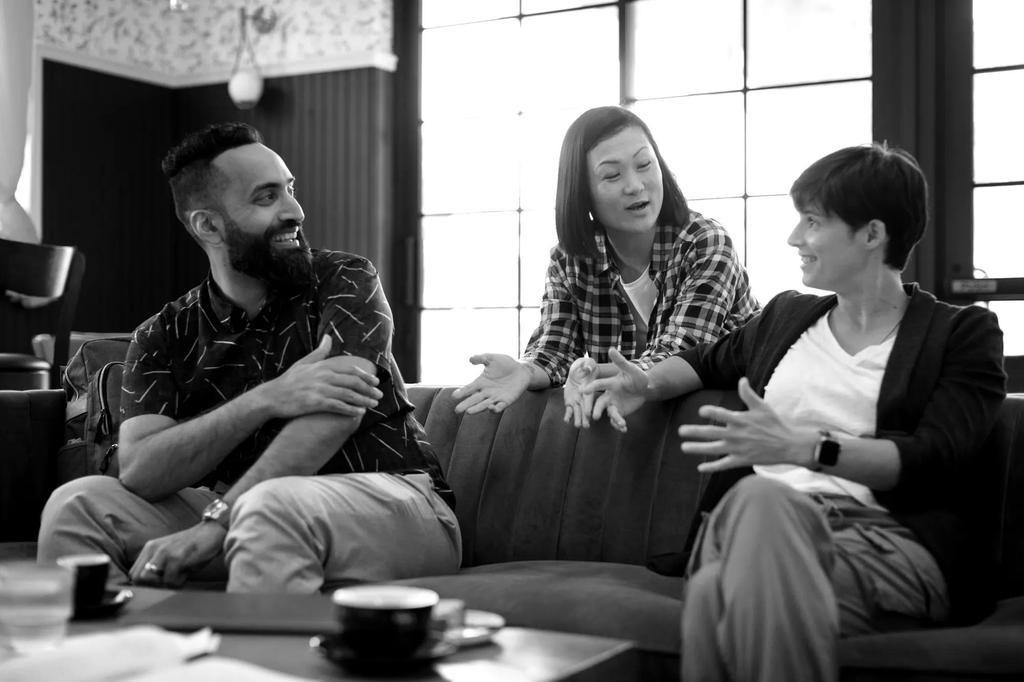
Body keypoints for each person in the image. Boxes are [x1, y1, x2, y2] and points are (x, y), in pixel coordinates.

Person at [584, 143, 1006, 681]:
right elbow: (702, 361)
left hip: (883, 544)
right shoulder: (787, 317)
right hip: (751, 528)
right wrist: (642, 383)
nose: (793, 239)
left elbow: (937, 457)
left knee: (717, 593)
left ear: (872, 235)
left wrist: (804, 449)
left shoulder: (960, 334)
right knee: (760, 505)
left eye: (812, 222)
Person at [37, 123, 461, 592]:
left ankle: (259, 667)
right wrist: (267, 398)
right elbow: (141, 471)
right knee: (76, 505)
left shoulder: (345, 279)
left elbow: (334, 415)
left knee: (269, 508)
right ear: (208, 225)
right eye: (267, 198)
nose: (295, 210)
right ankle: (115, 662)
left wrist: (216, 524)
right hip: (246, 514)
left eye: (290, 189)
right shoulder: (163, 334)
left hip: (396, 501)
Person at [452, 106, 759, 426]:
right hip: (641, 421)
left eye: (644, 165)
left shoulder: (704, 241)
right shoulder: (569, 261)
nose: (636, 185)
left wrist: (590, 372)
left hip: (737, 412)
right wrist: (525, 371)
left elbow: (680, 355)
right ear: (582, 192)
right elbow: (555, 350)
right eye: (612, 175)